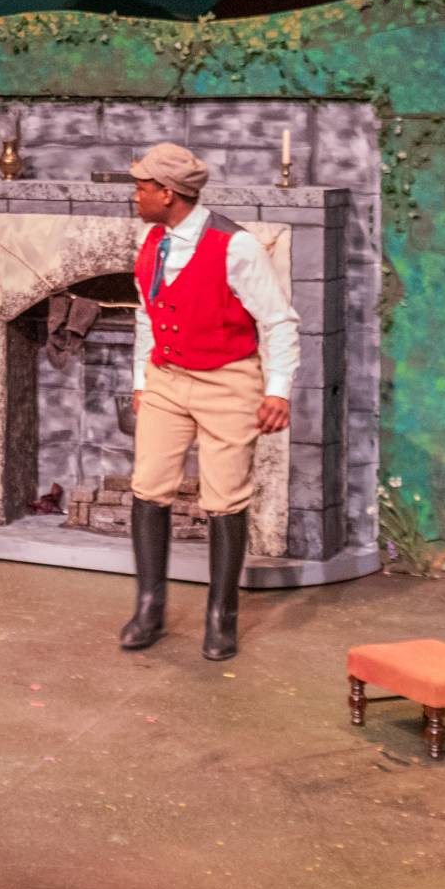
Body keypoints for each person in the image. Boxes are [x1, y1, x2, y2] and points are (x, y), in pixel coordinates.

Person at [122, 143, 298, 660]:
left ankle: (222, 617)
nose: (136, 196)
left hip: (228, 381)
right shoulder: (152, 240)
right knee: (148, 486)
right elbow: (145, 315)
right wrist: (141, 378)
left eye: (142, 188)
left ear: (168, 194)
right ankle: (149, 606)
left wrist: (277, 389)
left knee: (224, 498)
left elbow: (278, 321)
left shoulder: (235, 246)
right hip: (167, 378)